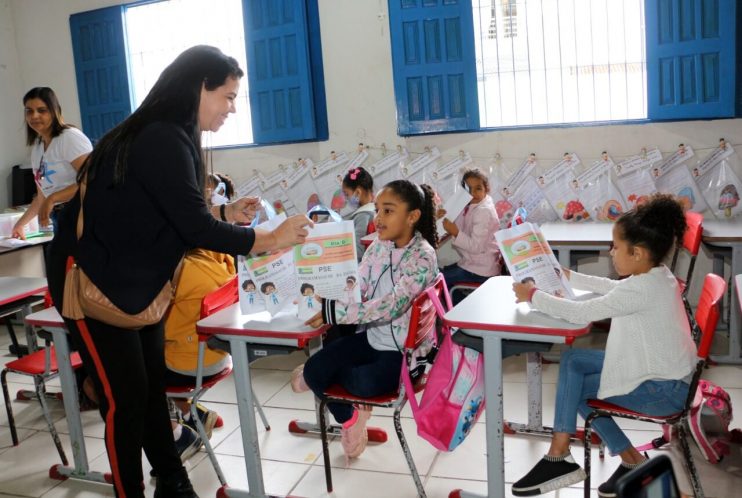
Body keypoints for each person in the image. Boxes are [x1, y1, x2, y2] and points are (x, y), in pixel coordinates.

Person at [45, 45, 312, 498]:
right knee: (125, 403)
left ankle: (172, 479)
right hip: (90, 284)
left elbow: (169, 213)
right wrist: (269, 239)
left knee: (150, 393)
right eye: (227, 96)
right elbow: (193, 227)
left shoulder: (174, 136)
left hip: (139, 286)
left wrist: (224, 214)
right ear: (199, 87)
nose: (231, 107)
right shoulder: (161, 136)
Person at [510, 194, 695, 497]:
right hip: (667, 377)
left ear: (636, 253)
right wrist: (568, 276)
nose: (611, 252)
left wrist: (533, 295)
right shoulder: (657, 276)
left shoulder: (641, 288)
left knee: (578, 388)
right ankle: (628, 460)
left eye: (616, 246)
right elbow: (615, 288)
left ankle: (560, 457)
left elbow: (580, 313)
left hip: (664, 390)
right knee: (573, 366)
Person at [291, 180, 439, 460]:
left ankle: (348, 397)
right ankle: (350, 418)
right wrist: (325, 294)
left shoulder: (423, 256)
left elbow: (392, 306)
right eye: (378, 210)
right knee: (314, 370)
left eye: (388, 211)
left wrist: (335, 312)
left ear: (413, 216)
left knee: (361, 384)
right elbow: (358, 286)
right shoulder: (379, 247)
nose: (378, 218)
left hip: (404, 355)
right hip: (373, 339)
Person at [162, 171, 240, 463]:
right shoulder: (219, 254)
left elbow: (159, 326)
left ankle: (178, 435)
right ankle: (195, 412)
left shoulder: (180, 271)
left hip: (189, 366)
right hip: (218, 355)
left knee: (134, 373)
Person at [12, 87, 92, 238]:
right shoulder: (37, 146)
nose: (34, 116)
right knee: (54, 259)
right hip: (60, 218)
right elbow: (42, 194)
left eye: (42, 110)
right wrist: (21, 224)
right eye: (29, 111)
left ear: (54, 111)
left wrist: (54, 198)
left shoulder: (69, 137)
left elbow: (92, 180)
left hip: (82, 215)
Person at [439, 169, 501, 304]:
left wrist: (455, 232)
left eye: (478, 188)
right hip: (474, 263)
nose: (473, 194)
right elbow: (460, 224)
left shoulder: (483, 211)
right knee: (440, 272)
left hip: (480, 270)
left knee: (438, 282)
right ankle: (463, 306)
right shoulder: (472, 205)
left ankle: (462, 310)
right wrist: (445, 217)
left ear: (487, 189)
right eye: (468, 189)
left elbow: (476, 247)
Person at [341, 166, 376, 260]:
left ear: (357, 192)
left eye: (347, 194)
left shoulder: (362, 216)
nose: (346, 199)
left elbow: (358, 251)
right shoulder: (376, 210)